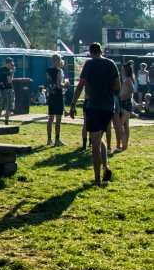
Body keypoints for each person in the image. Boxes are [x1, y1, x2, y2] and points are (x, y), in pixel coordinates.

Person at [70, 43, 119, 185]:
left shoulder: (90, 65)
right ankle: (105, 167)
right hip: (108, 107)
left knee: (95, 144)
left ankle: (97, 179)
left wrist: (73, 105)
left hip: (94, 106)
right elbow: (117, 87)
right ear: (101, 51)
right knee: (99, 136)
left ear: (91, 52)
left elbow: (80, 86)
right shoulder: (111, 64)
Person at [113, 61, 135, 153]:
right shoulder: (124, 78)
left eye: (122, 68)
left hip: (126, 103)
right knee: (125, 125)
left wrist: (126, 96)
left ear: (125, 70)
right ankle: (124, 145)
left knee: (121, 125)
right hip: (122, 101)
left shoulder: (129, 79)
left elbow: (132, 90)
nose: (121, 70)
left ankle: (123, 144)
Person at [45, 53, 67, 146]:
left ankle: (49, 139)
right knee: (58, 119)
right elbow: (59, 85)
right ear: (58, 61)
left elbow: (49, 83)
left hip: (51, 95)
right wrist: (65, 84)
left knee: (50, 118)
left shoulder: (48, 70)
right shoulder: (59, 71)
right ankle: (57, 140)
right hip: (58, 96)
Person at [0, 57, 15, 124]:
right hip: (8, 89)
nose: (12, 64)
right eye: (11, 63)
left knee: (1, 106)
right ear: (8, 63)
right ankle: (6, 121)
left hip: (2, 89)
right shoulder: (8, 70)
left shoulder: (1, 69)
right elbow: (9, 81)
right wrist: (12, 73)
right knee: (8, 106)